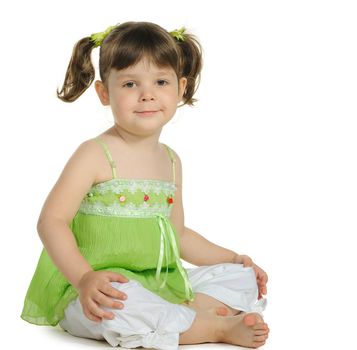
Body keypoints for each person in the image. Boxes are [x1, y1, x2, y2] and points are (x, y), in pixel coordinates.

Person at [20, 21, 269, 350]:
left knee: (241, 276)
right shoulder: (94, 154)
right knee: (118, 307)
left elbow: (177, 235)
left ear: (180, 88)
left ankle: (185, 317)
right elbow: (51, 221)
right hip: (101, 287)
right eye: (130, 84)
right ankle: (214, 327)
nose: (147, 94)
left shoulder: (171, 161)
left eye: (161, 81)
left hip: (159, 282)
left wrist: (234, 258)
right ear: (104, 92)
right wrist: (83, 279)